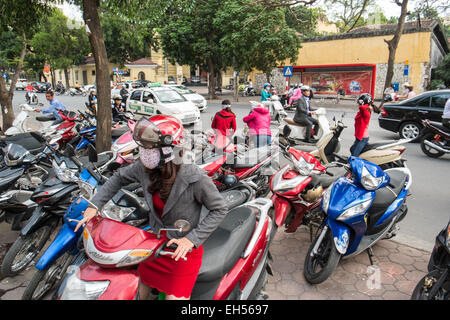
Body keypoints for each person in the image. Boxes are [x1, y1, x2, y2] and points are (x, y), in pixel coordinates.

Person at [74, 115, 228, 300]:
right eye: (143, 146)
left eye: (149, 147)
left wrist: (191, 240)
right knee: (140, 293)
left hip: (181, 252)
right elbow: (118, 178)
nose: (144, 151)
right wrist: (95, 205)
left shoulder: (195, 177)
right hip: (153, 246)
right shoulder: (145, 168)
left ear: (169, 150)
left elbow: (219, 209)